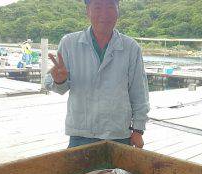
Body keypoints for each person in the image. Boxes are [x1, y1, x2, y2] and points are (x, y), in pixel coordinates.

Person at [44, 0, 150, 149]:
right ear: (88, 11)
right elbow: (56, 86)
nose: (104, 14)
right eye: (98, 7)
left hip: (119, 134)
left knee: (119, 173)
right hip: (80, 133)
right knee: (78, 173)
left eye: (110, 7)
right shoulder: (69, 43)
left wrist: (138, 130)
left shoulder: (131, 47)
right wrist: (59, 80)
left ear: (118, 10)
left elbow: (139, 93)